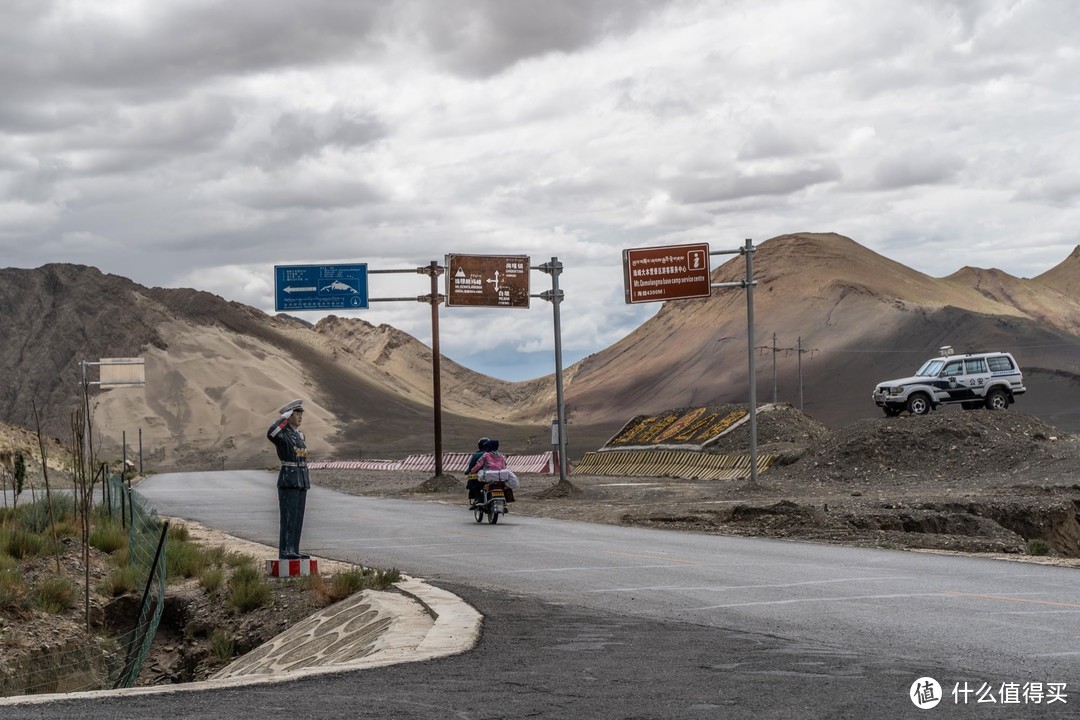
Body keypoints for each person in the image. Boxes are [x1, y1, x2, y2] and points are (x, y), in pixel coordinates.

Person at [267, 399, 310, 559]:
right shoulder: (283, 434)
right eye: (296, 413)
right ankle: (286, 550)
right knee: (289, 517)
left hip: (301, 478)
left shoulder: (300, 435)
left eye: (300, 413)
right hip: (289, 478)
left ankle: (294, 549)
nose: (300, 416)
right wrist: (283, 419)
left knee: (298, 517)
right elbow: (271, 433)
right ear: (289, 415)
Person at [468, 439, 515, 504]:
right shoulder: (501, 456)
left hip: (488, 476)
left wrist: (472, 471)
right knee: (505, 486)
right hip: (500, 476)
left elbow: (479, 465)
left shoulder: (486, 455)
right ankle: (506, 501)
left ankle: (480, 500)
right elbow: (504, 467)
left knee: (478, 483)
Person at [465, 437, 489, 507]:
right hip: (496, 474)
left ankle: (478, 498)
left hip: (481, 476)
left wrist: (469, 471)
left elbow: (473, 466)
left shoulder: (477, 455)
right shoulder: (496, 454)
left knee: (473, 482)